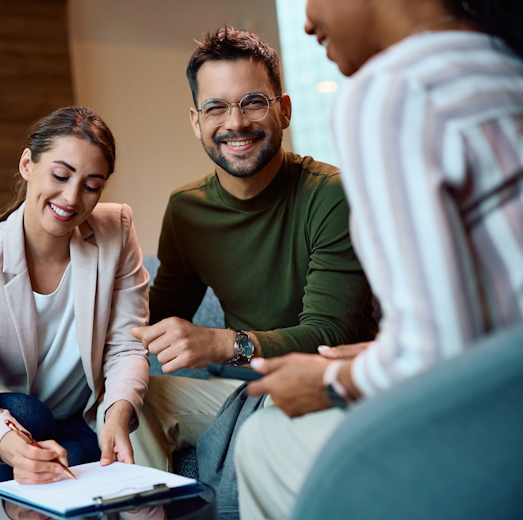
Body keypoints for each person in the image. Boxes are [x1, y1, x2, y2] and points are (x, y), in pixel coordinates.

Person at [234, 1, 523, 519]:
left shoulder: (392, 90)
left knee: (266, 437)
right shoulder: (502, 65)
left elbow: (437, 354)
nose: (304, 21)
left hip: (497, 430)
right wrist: (376, 355)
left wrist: (329, 381)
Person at [129, 27, 378, 517]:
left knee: (269, 417)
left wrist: (224, 343)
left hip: (329, 384)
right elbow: (155, 320)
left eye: (253, 102)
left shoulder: (330, 194)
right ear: (196, 121)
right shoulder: (186, 210)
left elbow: (329, 333)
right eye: (216, 108)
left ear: (283, 108)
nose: (235, 123)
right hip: (243, 387)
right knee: (130, 402)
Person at [0, 106, 151, 492]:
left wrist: (116, 414)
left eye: (92, 185)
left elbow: (127, 346)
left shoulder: (117, 230)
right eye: (60, 175)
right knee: (30, 414)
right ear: (28, 163)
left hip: (70, 423)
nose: (72, 197)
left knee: (72, 458)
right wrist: (15, 449)